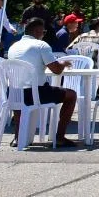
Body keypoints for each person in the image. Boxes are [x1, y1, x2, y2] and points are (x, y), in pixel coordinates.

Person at [6, 17, 76, 146]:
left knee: (21, 91)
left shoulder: (13, 47)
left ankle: (18, 137)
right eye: (43, 32)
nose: (43, 35)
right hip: (35, 94)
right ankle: (60, 137)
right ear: (38, 31)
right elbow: (56, 70)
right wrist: (63, 63)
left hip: (13, 93)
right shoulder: (41, 45)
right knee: (71, 95)